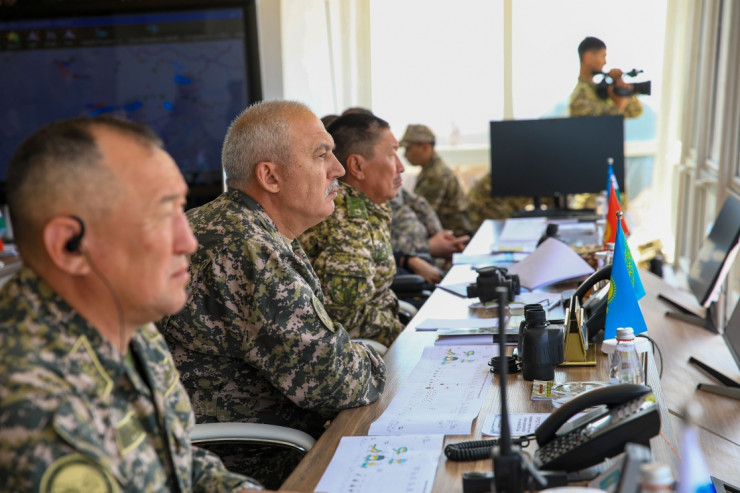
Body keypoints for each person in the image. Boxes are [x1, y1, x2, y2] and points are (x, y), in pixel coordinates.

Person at [0, 115, 263, 491]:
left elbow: (175, 460)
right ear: (70, 247)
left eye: (181, 209)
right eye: (162, 215)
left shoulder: (129, 321)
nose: (188, 242)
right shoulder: (31, 406)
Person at [157, 100, 386, 488]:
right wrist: (377, 361)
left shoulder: (240, 225)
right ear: (270, 177)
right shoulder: (247, 247)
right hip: (258, 463)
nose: (338, 169)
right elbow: (337, 383)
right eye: (321, 155)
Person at [300, 112, 407, 346]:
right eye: (391, 155)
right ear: (357, 166)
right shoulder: (346, 220)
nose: (401, 167)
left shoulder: (369, 207)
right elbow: (344, 320)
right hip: (363, 350)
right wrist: (407, 337)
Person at [399, 123, 471, 236]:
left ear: (425, 147)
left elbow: (419, 215)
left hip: (453, 238)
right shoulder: (430, 171)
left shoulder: (436, 175)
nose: (405, 155)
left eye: (408, 148)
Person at [390, 187, 468, 269]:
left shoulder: (397, 190)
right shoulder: (382, 200)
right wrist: (427, 247)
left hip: (433, 262)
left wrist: (445, 241)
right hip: (408, 269)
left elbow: (419, 204)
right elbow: (384, 253)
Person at [569, 36, 643, 118]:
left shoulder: (601, 90)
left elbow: (635, 110)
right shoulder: (581, 94)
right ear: (588, 57)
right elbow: (594, 124)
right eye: (603, 56)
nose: (605, 62)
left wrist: (621, 87)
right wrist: (619, 106)